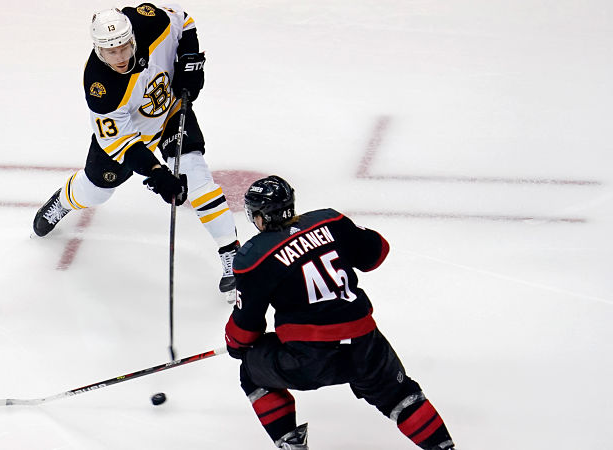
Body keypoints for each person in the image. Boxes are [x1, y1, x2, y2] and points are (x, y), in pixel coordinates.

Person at [224, 175, 457, 450]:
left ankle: (291, 445)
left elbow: (245, 332)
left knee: (251, 370)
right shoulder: (329, 221)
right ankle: (444, 448)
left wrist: (236, 346)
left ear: (259, 215)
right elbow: (376, 253)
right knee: (400, 395)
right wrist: (343, 236)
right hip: (365, 344)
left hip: (309, 357)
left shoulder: (253, 258)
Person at [32, 3, 239, 300]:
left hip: (169, 112)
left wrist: (190, 62)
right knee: (96, 192)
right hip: (133, 134)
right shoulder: (100, 86)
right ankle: (64, 199)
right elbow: (122, 144)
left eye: (124, 48)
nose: (120, 57)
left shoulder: (150, 22)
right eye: (110, 52)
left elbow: (185, 21)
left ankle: (232, 255)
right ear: (98, 50)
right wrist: (156, 172)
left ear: (132, 38)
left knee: (195, 177)